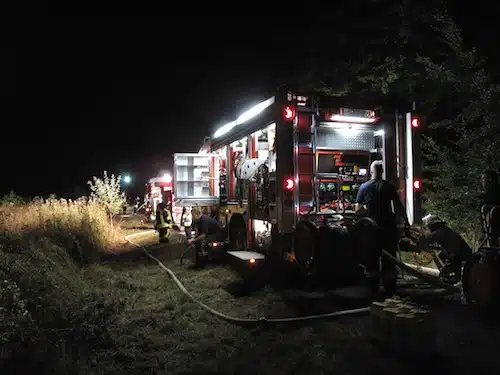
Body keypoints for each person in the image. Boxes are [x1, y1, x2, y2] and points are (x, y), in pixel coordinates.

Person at [354, 160, 410, 295]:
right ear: (382, 172)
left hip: (371, 230)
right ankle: (390, 289)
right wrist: (406, 222)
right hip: (388, 229)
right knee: (389, 259)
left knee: (371, 259)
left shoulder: (364, 187)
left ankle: (372, 289)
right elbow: (398, 206)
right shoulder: (388, 186)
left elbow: (357, 210)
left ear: (371, 172)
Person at [418, 214, 472, 283]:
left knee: (449, 261)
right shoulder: (446, 230)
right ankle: (453, 275)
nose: (429, 229)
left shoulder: (439, 232)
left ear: (434, 225)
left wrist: (420, 238)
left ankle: (453, 277)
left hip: (459, 255)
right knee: (442, 255)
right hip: (461, 253)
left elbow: (427, 240)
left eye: (429, 226)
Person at [479, 169, 500, 247]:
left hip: (494, 228)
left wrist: (484, 231)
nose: (481, 181)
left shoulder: (491, 192)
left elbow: (486, 209)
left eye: (483, 178)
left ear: (490, 179)